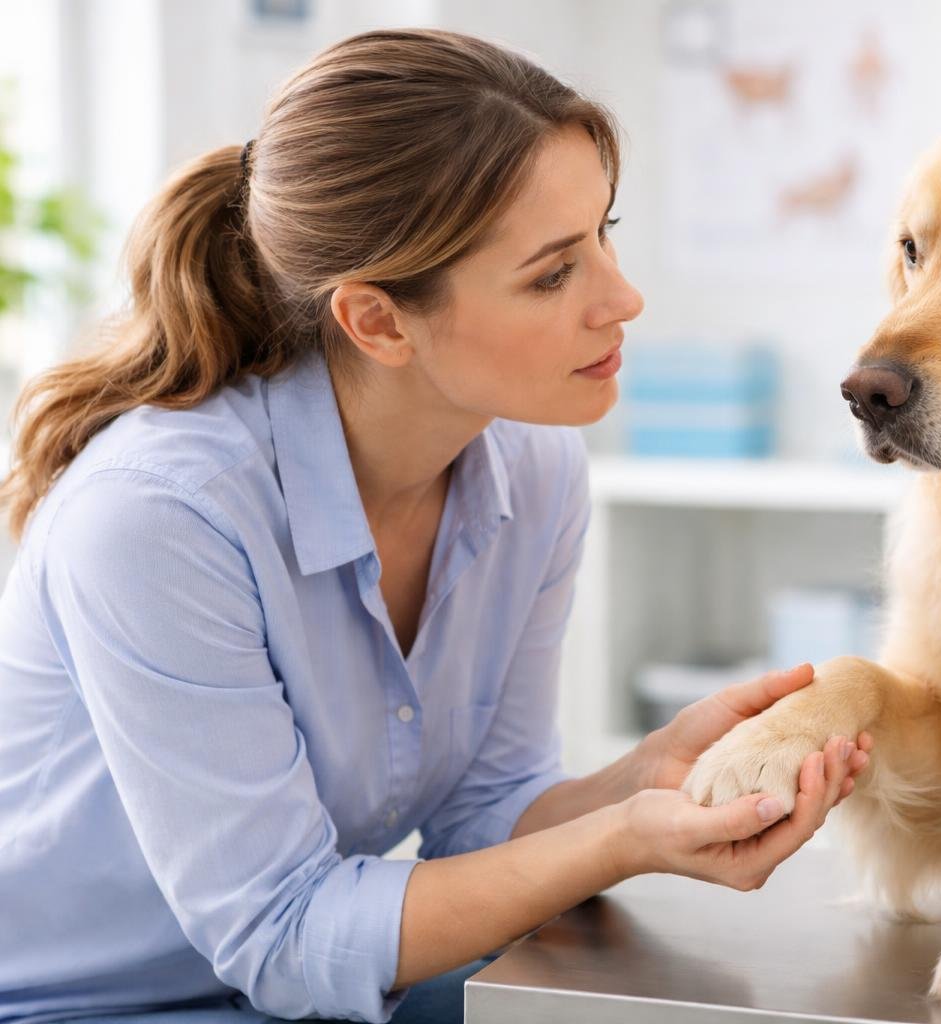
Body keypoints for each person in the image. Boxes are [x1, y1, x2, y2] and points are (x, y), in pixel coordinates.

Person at [0, 27, 872, 1024]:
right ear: (377, 321)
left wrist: (648, 774)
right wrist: (623, 835)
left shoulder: (533, 469)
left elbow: (485, 820)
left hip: (308, 995)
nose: (623, 298)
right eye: (552, 274)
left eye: (605, 234)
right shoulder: (159, 519)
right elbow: (284, 933)